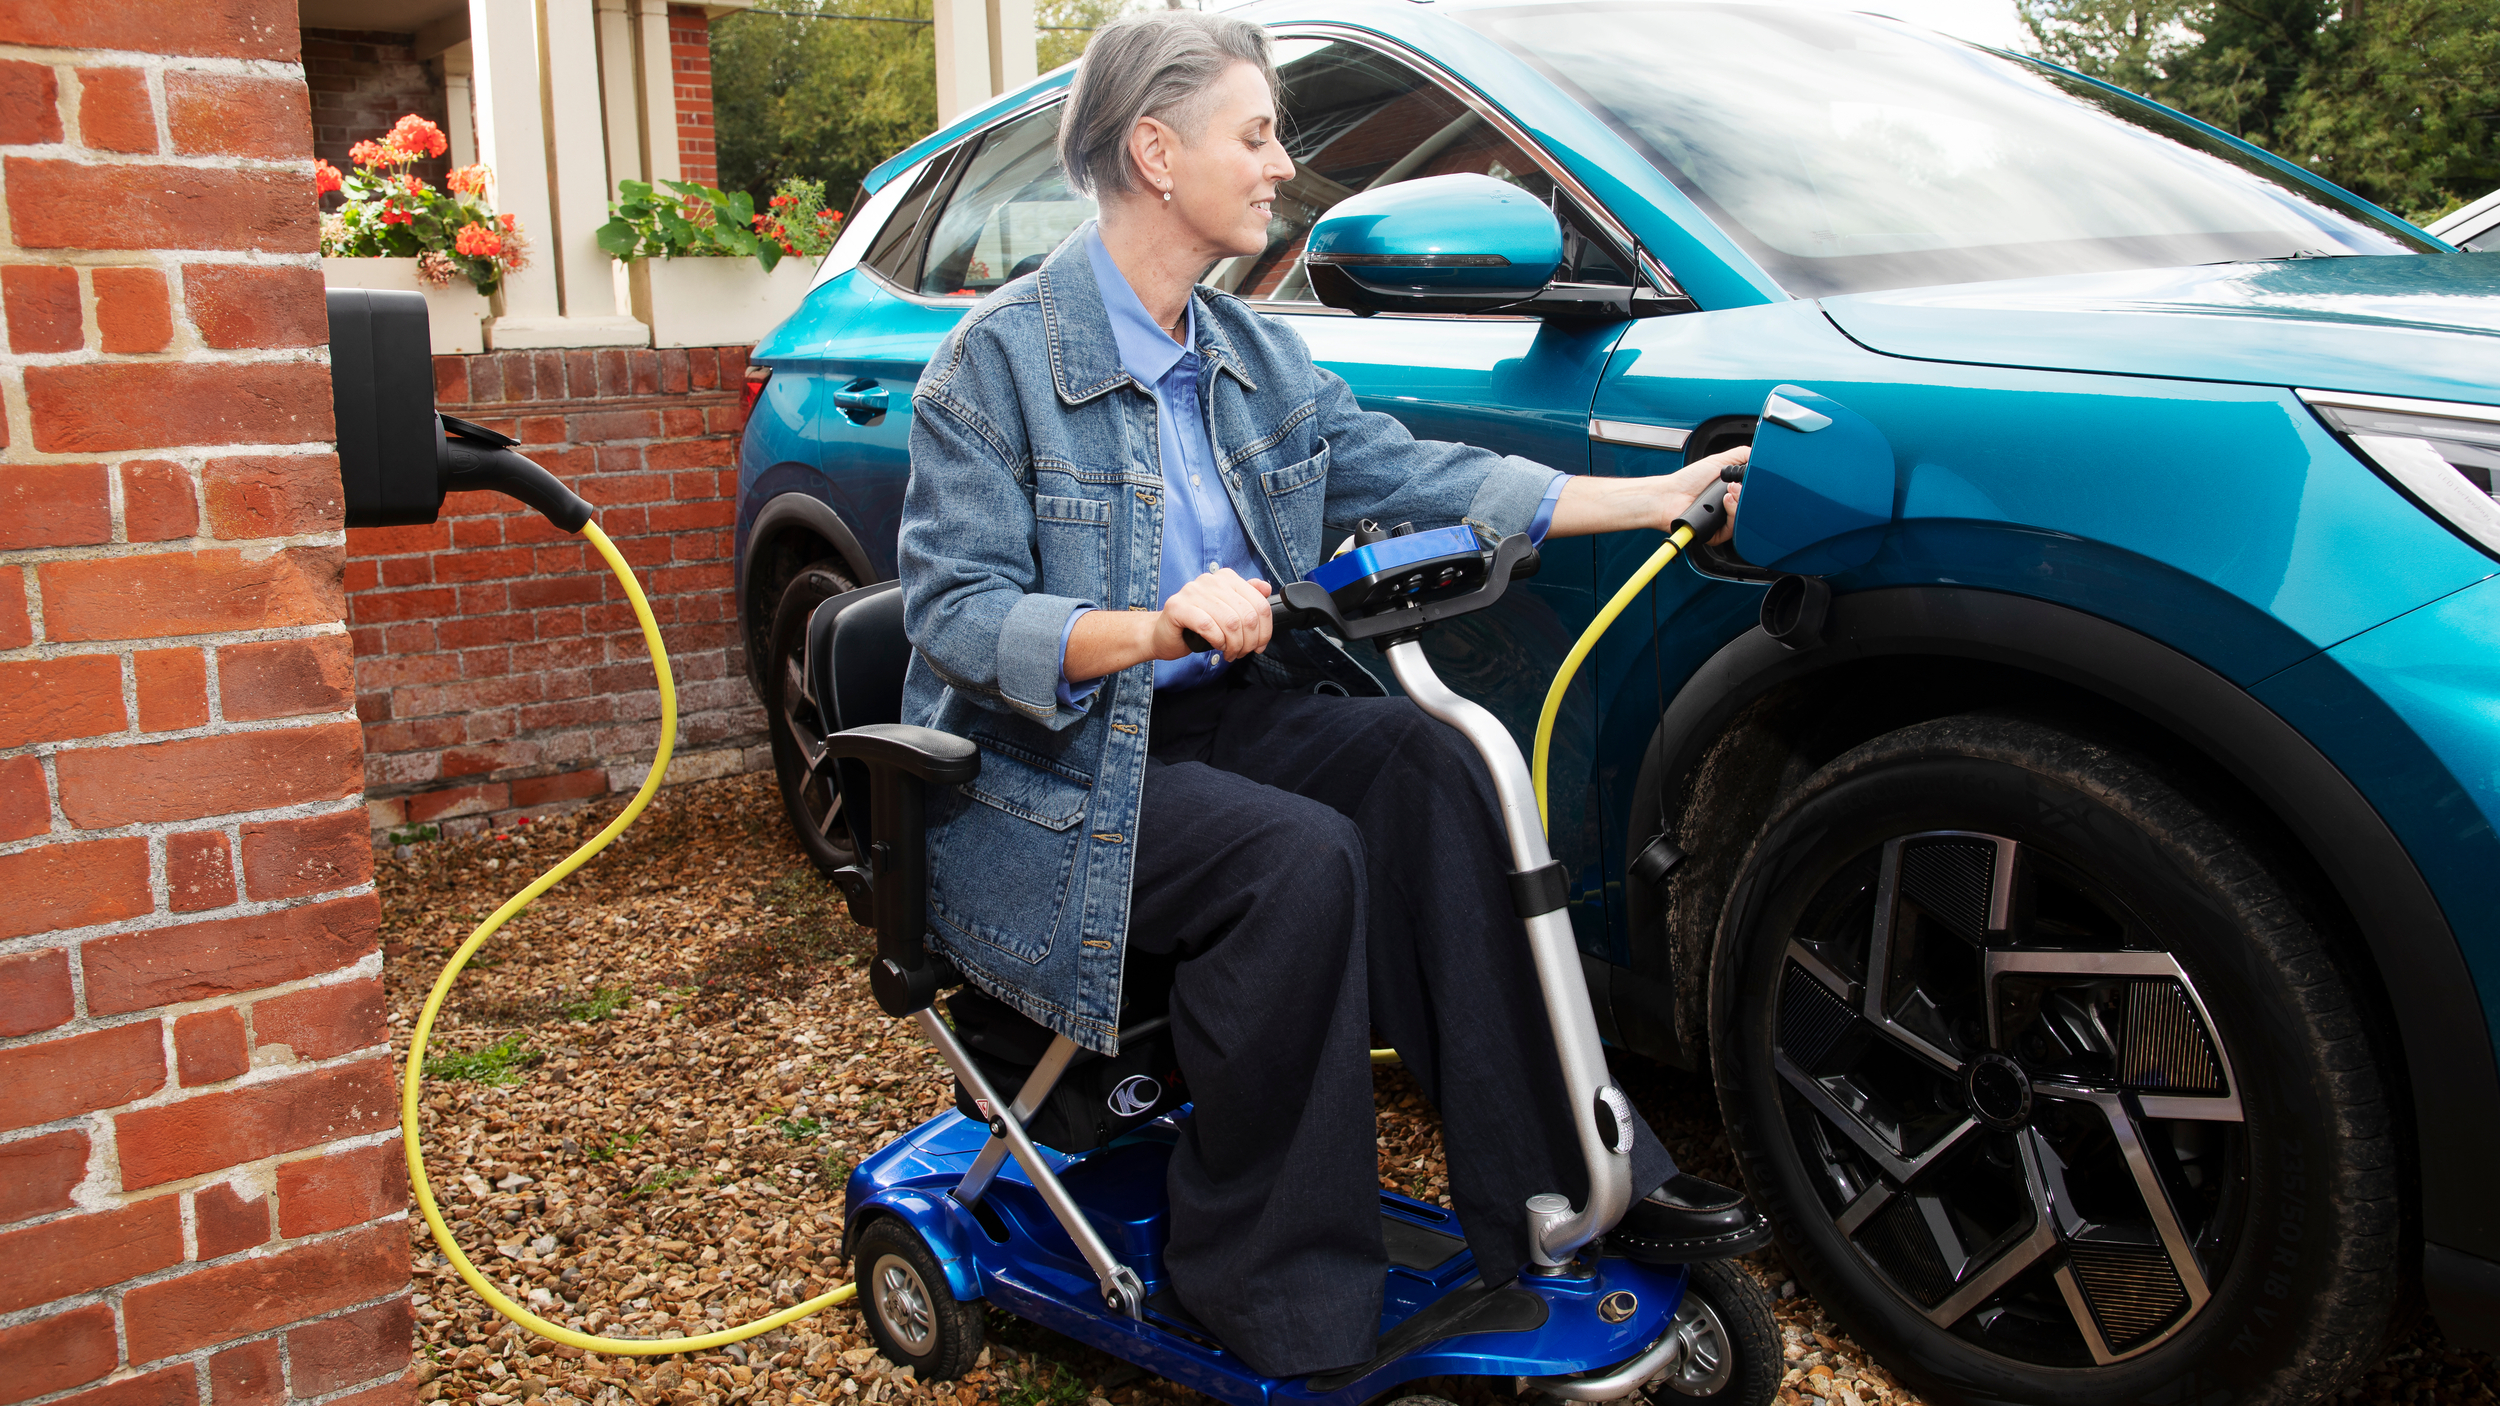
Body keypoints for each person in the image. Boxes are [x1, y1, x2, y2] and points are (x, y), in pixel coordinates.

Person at [897, 9, 1765, 1377]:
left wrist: (1657, 494)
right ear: (1154, 149)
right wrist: (1147, 622)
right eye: (1256, 134)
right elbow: (957, 613)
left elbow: (1418, 474)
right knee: (1296, 859)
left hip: (1211, 727)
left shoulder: (1250, 355)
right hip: (1053, 776)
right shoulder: (991, 368)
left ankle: (1565, 1177)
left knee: (1431, 765)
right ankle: (1275, 1290)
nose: (1282, 165)